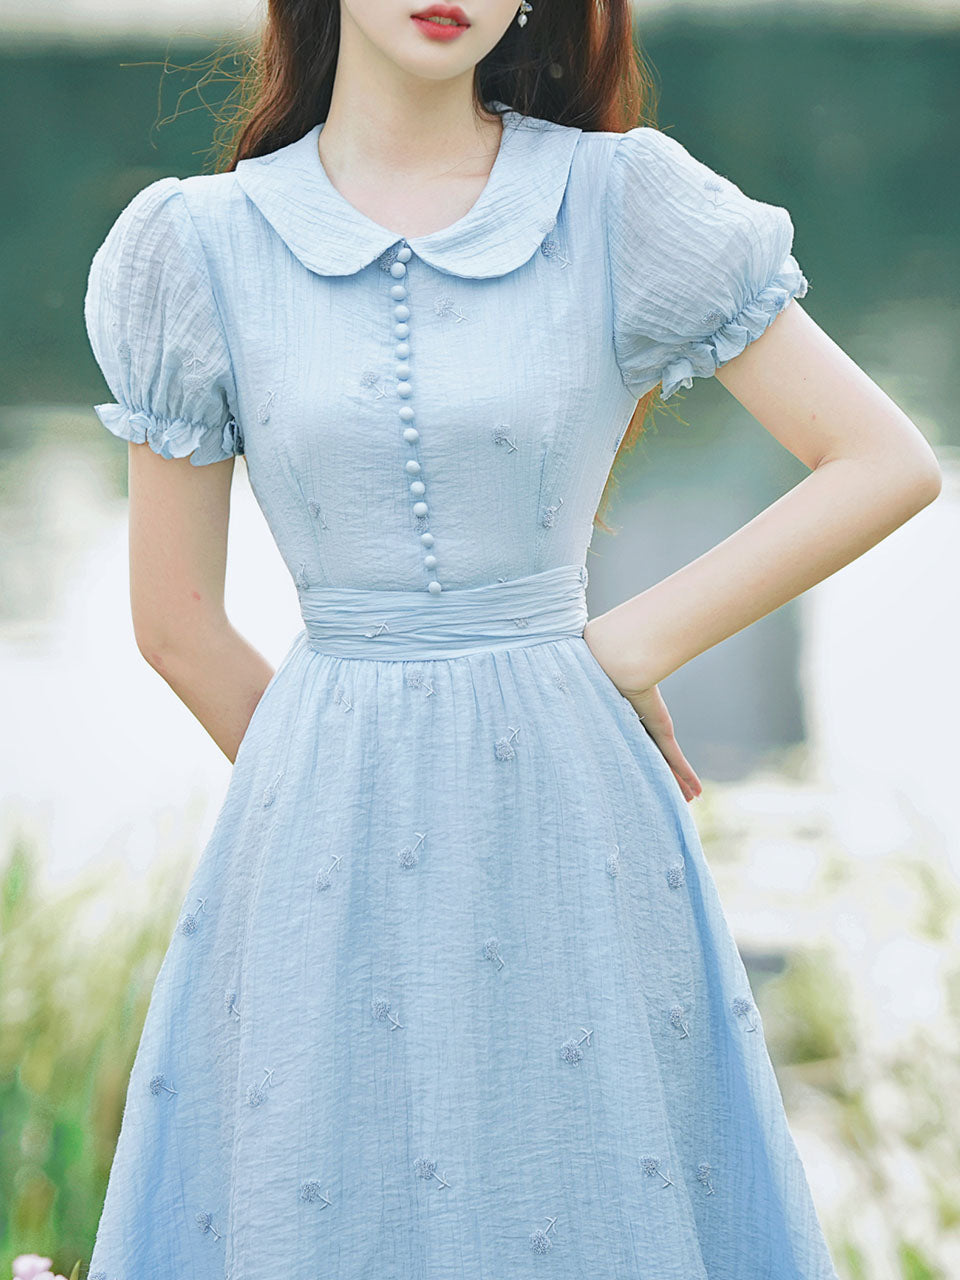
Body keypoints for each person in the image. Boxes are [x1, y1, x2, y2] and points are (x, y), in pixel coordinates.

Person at [81, 0, 941, 1273]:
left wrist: (622, 648)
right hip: (311, 841)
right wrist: (335, 824)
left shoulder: (618, 202)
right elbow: (178, 624)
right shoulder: (197, 245)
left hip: (578, 814)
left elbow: (882, 459)